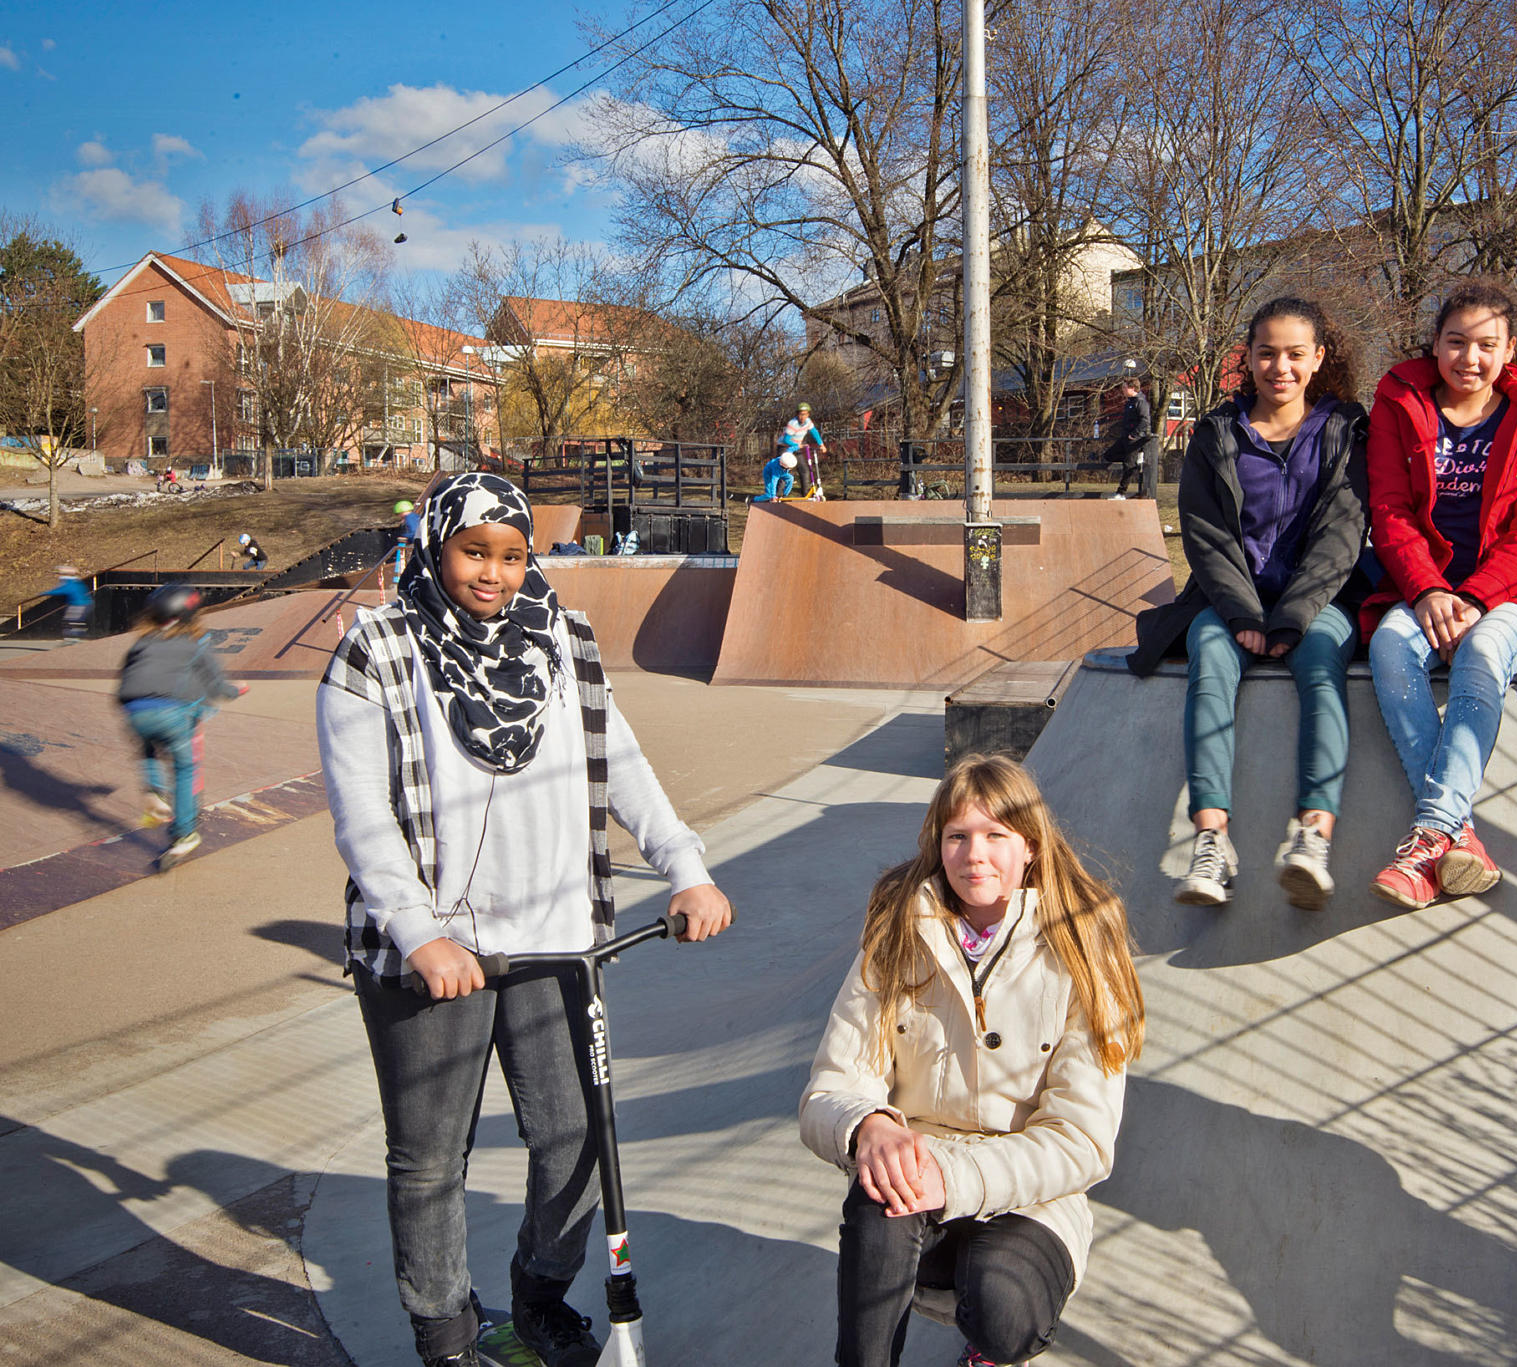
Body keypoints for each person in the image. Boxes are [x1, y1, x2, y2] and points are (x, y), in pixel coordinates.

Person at [316, 472, 735, 1367]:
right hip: (435, 950)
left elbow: (623, 763)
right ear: (436, 545)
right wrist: (420, 932)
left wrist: (686, 868)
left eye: (512, 555)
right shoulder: (376, 650)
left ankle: (538, 1293)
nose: (494, 573)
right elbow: (363, 816)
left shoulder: (562, 638)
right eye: (475, 551)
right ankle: (446, 1335)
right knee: (432, 1157)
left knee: (575, 1135)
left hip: (554, 942)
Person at [801, 754, 1144, 1367]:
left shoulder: (1083, 945)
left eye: (995, 836)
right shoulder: (898, 933)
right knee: (883, 1195)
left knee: (1003, 1310)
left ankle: (986, 1341)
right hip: (918, 1178)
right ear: (938, 844)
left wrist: (954, 1179)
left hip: (1030, 1196)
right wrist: (869, 1126)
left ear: (1031, 847)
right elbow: (832, 1084)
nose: (973, 855)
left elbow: (1082, 1140)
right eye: (956, 836)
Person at [1126, 297, 1370, 911]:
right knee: (1210, 656)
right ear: (1249, 358)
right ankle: (1211, 842)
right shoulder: (1216, 435)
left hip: (1320, 599)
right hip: (1230, 599)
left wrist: (1292, 617)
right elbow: (1205, 536)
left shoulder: (1344, 431)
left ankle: (1312, 837)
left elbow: (1343, 534)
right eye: (1266, 353)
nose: (1279, 367)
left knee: (1321, 665)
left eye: (1294, 354)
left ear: (1317, 359)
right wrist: (1241, 615)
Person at [1359, 280, 1517, 909]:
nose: (1470, 357)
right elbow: (1389, 510)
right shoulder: (1399, 404)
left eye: (1487, 345)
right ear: (1434, 345)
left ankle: (1430, 835)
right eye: (1456, 342)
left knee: (1482, 652)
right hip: (1426, 585)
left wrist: (1478, 597)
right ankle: (1457, 836)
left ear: (1510, 349)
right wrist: (1432, 588)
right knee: (1389, 646)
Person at [117, 584, 246, 871]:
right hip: (173, 713)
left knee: (147, 748)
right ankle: (184, 833)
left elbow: (129, 677)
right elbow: (216, 685)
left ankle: (156, 791)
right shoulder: (193, 644)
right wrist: (235, 691)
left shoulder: (142, 643)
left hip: (134, 710)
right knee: (185, 768)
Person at [1092, 379, 1152, 498]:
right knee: (1109, 456)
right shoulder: (1129, 402)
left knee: (1128, 466)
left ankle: (1121, 493)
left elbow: (1145, 421)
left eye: (1125, 388)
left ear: (1132, 388)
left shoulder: (1141, 402)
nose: (1123, 390)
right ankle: (1134, 458)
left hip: (1134, 439)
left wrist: (1134, 434)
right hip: (1125, 437)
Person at [47, 563, 93, 641]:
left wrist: (46, 593)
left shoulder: (69, 582)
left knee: (72, 620)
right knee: (72, 620)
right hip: (81, 603)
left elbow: (62, 590)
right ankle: (73, 636)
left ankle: (75, 637)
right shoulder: (76, 581)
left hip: (79, 604)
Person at [793, 401, 828, 497]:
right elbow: (787, 439)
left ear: (808, 414)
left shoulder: (808, 422)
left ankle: (806, 495)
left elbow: (814, 432)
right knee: (783, 472)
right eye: (800, 414)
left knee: (805, 470)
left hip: (797, 448)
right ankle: (776, 496)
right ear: (797, 414)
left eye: (805, 414)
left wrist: (821, 445)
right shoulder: (793, 423)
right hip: (787, 448)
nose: (803, 417)